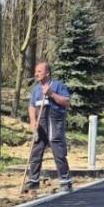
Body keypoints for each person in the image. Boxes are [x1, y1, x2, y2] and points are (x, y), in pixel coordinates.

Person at [24, 61, 72, 193]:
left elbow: (67, 102)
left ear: (47, 73)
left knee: (58, 150)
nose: (36, 74)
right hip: (40, 121)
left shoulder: (58, 85)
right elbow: (32, 106)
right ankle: (33, 181)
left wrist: (52, 94)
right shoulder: (36, 89)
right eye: (36, 71)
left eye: (39, 71)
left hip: (55, 120)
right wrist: (33, 121)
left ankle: (65, 181)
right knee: (36, 149)